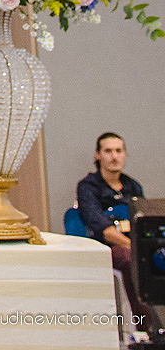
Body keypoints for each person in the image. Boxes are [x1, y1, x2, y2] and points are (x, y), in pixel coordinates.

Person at [77, 132, 156, 330]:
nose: (114, 156)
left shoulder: (133, 187)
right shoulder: (88, 187)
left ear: (125, 154)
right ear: (98, 155)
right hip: (106, 248)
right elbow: (104, 230)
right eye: (108, 151)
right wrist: (137, 248)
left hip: (135, 246)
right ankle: (147, 328)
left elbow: (143, 224)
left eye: (119, 151)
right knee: (131, 259)